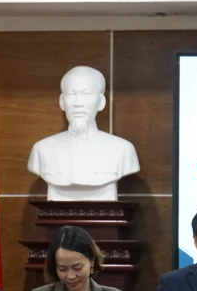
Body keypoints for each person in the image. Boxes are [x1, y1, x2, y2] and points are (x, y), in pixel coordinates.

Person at [27, 66, 140, 201]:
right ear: (62, 102)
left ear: (101, 102)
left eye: (86, 94)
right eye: (71, 94)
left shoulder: (123, 150)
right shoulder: (42, 150)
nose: (78, 103)